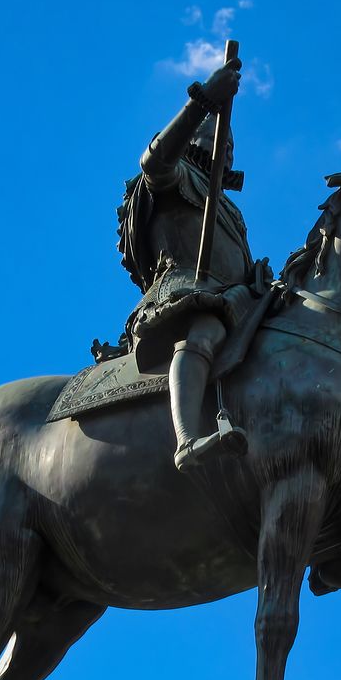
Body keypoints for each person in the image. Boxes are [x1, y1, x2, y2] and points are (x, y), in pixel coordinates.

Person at [115, 59, 258, 471]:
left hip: (234, 300)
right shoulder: (175, 176)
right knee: (206, 329)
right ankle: (186, 440)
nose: (228, 150)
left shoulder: (230, 208)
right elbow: (153, 162)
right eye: (220, 139)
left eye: (232, 146)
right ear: (195, 137)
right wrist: (203, 101)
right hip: (186, 294)